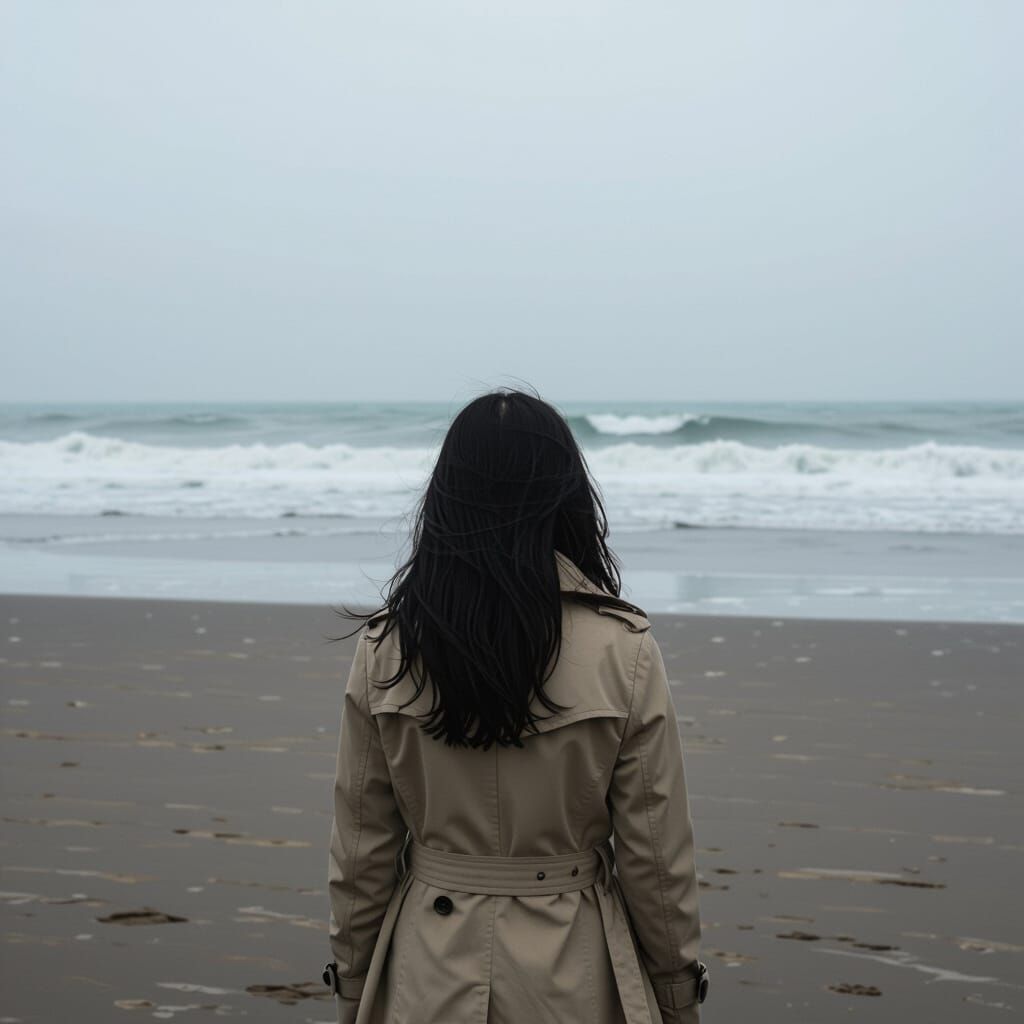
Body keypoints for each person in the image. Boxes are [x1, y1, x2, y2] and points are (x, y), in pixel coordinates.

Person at [323, 386, 708, 1024]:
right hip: (573, 967)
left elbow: (361, 847)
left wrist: (354, 981)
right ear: (565, 495)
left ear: (447, 494)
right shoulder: (623, 647)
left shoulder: (386, 645)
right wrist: (675, 992)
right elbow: (655, 852)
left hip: (425, 962)